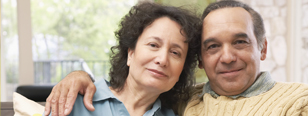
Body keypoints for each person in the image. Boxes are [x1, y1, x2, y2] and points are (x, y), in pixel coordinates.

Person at [45, 0, 308, 116]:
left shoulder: (298, 102)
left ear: (262, 48)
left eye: (240, 42)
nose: (227, 57)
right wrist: (79, 77)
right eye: (213, 46)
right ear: (130, 52)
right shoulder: (186, 102)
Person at [44, 1, 201, 116]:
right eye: (153, 45)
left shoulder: (177, 113)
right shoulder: (74, 101)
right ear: (130, 53)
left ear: (183, 69)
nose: (162, 59)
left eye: (175, 53)